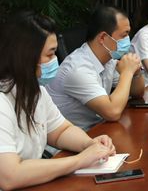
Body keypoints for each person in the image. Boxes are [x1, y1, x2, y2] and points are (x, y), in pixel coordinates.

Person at [0, 11, 116, 190]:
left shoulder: (36, 91)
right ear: (25, 56)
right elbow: (9, 176)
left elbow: (61, 131)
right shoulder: (2, 101)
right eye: (50, 54)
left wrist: (89, 144)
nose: (55, 60)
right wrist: (80, 160)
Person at [46, 6, 145, 130]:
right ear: (103, 38)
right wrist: (127, 72)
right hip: (76, 136)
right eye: (124, 35)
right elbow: (113, 112)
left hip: (99, 129)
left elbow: (137, 93)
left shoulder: (108, 59)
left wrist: (136, 72)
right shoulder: (78, 69)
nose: (127, 40)